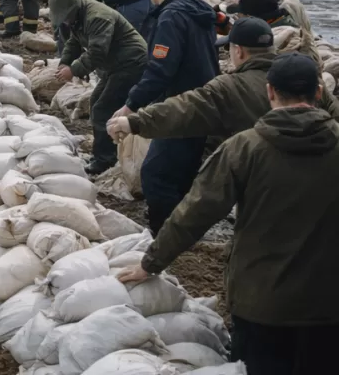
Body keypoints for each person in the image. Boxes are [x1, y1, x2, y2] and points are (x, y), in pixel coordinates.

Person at [116, 53, 339, 375]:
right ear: (319, 93)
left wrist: (150, 262)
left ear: (270, 92)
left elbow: (194, 213)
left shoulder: (244, 148)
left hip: (261, 302)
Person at [110, 17, 339, 150]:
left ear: (237, 50)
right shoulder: (306, 78)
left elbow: (184, 108)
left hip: (263, 180)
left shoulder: (229, 86)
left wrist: (134, 122)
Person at [115, 0, 220, 233]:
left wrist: (131, 105)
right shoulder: (198, 7)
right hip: (205, 98)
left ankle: (163, 235)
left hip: (180, 104)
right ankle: (183, 224)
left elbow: (160, 69)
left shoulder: (170, 18)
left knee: (156, 175)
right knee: (184, 169)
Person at [49, 0, 148, 175]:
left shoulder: (97, 17)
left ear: (73, 9)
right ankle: (106, 153)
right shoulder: (78, 17)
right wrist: (64, 62)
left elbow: (97, 52)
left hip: (131, 63)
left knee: (103, 108)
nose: (66, 22)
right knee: (97, 103)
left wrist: (74, 70)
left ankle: (105, 159)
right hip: (115, 65)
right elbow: (74, 42)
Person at [235, 0, 321, 64]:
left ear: (250, 17)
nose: (238, 17)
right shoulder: (295, 26)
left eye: (240, 15)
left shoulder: (268, 39)